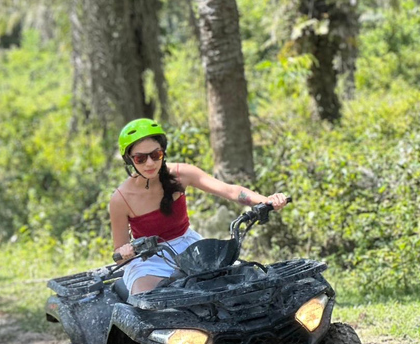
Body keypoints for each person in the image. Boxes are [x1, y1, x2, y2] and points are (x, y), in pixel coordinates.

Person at [110, 119, 288, 295]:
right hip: (150, 259)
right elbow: (119, 253)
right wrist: (124, 252)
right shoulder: (120, 199)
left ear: (163, 152)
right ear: (129, 160)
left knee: (239, 286)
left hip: (191, 249)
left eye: (155, 155)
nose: (149, 163)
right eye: (140, 158)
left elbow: (230, 191)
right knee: (150, 302)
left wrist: (265, 200)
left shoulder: (181, 174)